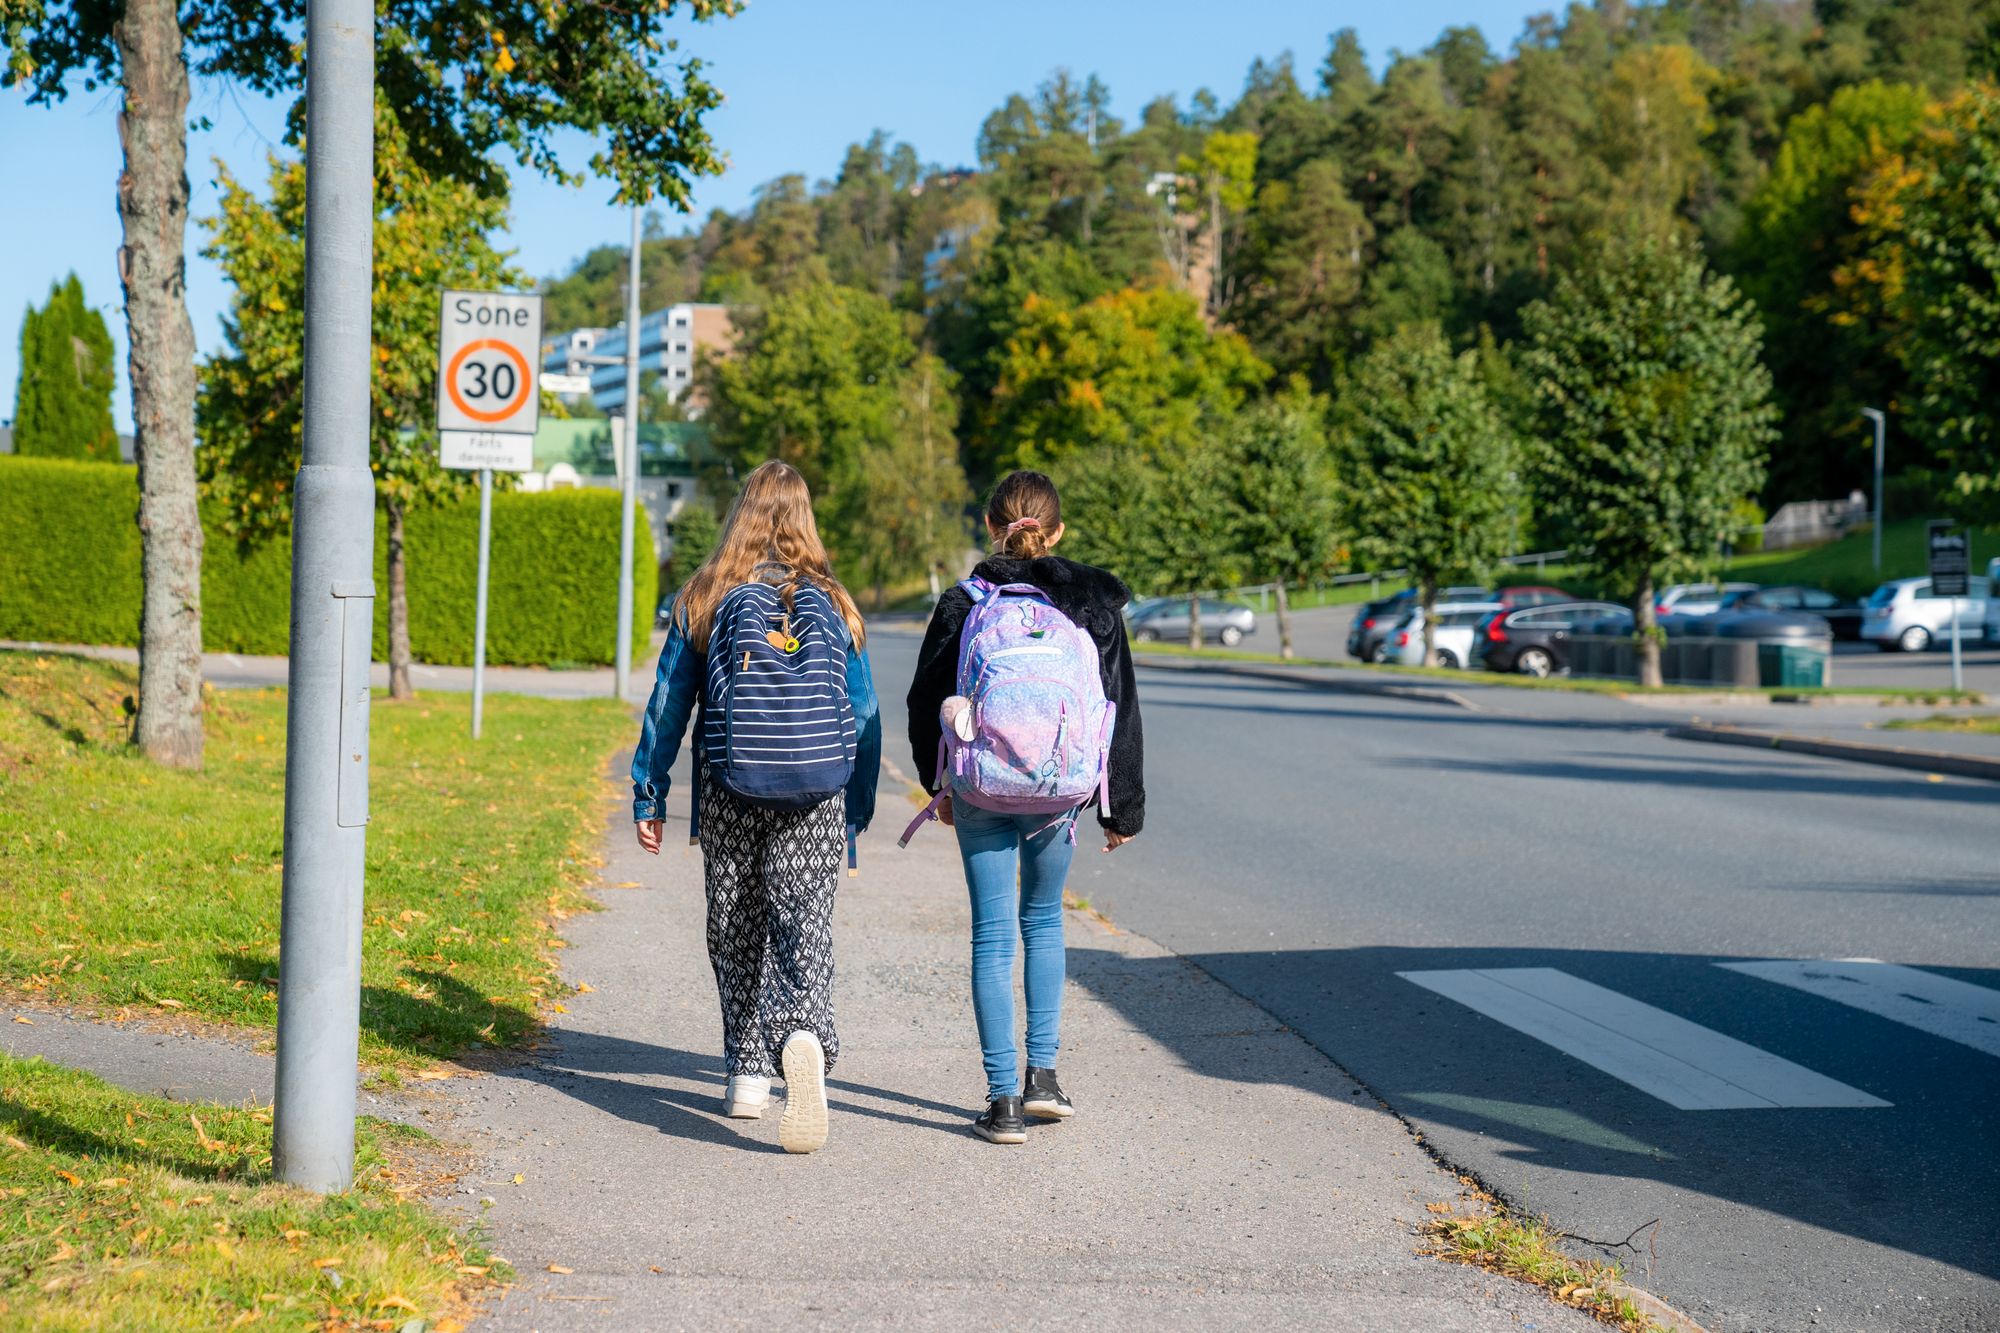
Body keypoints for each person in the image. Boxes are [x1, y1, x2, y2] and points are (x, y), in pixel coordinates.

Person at [631, 460, 881, 1155]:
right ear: (804, 518)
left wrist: (650, 791)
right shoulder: (834, 601)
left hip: (729, 787)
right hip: (817, 792)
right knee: (803, 923)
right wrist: (853, 811)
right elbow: (862, 715)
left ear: (741, 513)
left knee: (735, 922)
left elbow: (668, 705)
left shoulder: (706, 595)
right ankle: (802, 1030)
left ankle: (745, 1071)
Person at [906, 469, 1145, 1144]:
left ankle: (1002, 1100)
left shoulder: (966, 600)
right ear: (1058, 530)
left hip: (982, 783)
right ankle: (1045, 1077)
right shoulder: (1093, 603)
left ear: (990, 526)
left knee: (991, 932)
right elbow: (1119, 705)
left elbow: (925, 701)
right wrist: (1120, 806)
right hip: (1059, 792)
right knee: (1042, 921)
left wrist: (938, 782)